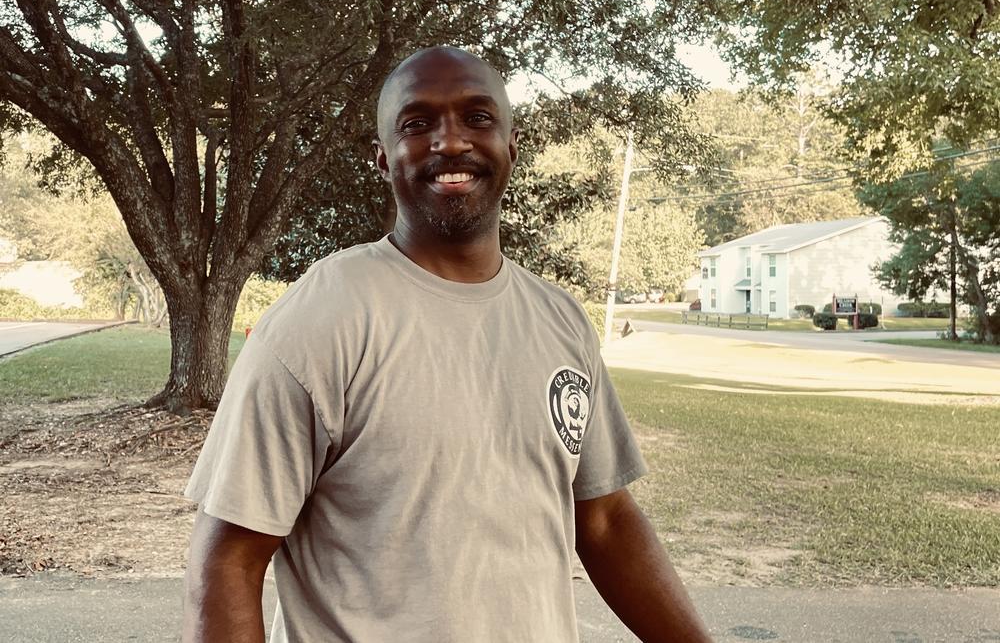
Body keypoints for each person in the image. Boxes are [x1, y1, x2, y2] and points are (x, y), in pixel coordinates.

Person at [182, 46, 713, 643]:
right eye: (417, 124)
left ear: (511, 147)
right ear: (383, 159)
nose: (451, 141)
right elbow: (229, 558)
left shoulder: (559, 320)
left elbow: (607, 522)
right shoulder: (322, 319)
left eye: (477, 118)